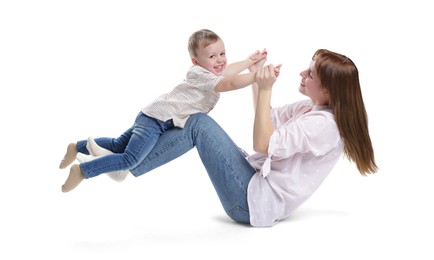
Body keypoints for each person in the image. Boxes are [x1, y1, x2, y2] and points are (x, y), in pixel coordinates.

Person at [102, 48, 376, 227]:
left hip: (250, 205)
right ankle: (126, 159)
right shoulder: (309, 108)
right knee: (194, 120)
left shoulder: (323, 125)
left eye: (311, 74)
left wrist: (265, 87)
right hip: (255, 188)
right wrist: (258, 77)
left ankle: (128, 163)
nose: (303, 74)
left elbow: (263, 144)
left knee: (198, 122)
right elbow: (266, 116)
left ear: (327, 90)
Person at [58, 29, 268, 192]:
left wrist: (250, 62)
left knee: (117, 144)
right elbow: (228, 83)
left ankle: (77, 147)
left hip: (153, 114)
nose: (220, 60)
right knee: (130, 159)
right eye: (213, 57)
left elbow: (227, 72)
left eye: (222, 53)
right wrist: (256, 77)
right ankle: (83, 171)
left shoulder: (209, 72)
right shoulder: (200, 75)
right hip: (157, 120)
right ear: (196, 61)